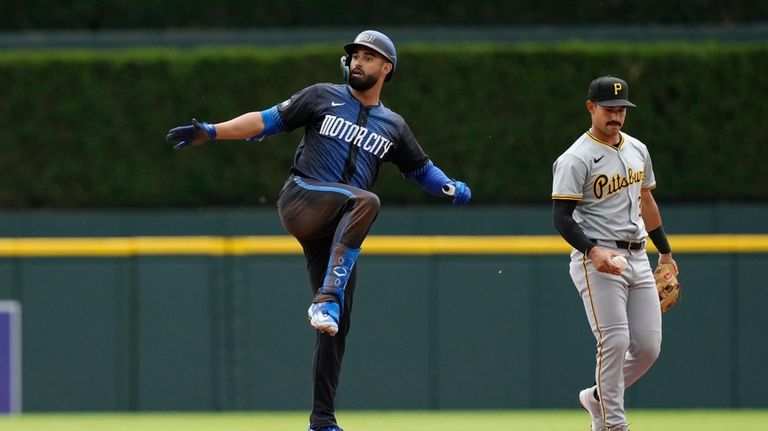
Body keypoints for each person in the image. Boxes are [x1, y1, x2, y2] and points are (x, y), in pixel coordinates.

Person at [166, 30, 471, 431]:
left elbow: (420, 169)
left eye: (369, 56)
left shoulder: (393, 125)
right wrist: (211, 130)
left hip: (338, 230)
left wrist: (450, 186)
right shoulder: (321, 96)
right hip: (302, 197)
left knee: (336, 325)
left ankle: (322, 420)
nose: (359, 61)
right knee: (366, 201)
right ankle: (326, 296)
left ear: (386, 68)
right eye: (356, 55)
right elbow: (264, 121)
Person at [551, 76, 678, 431]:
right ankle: (612, 425)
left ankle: (596, 397)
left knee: (648, 348)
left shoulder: (638, 148)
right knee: (616, 341)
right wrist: (592, 253)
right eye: (609, 108)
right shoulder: (575, 158)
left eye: (622, 109)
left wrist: (665, 253)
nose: (616, 116)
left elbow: (647, 201)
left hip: (638, 257)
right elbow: (561, 217)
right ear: (591, 107)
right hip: (599, 261)